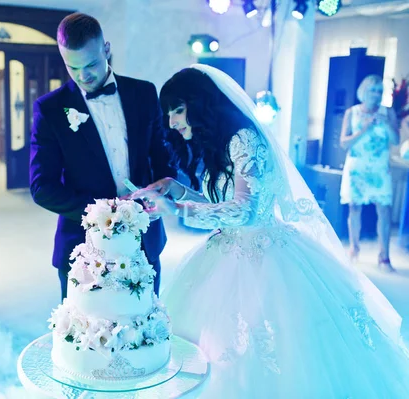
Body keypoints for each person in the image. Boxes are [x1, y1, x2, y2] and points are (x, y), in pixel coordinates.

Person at [132, 65, 409, 398]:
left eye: (178, 110)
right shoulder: (221, 141)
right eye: (169, 113)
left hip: (266, 257)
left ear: (201, 103)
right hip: (226, 250)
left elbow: (245, 211)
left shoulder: (244, 138)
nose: (173, 121)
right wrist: (176, 190)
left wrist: (178, 211)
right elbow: (219, 203)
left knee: (273, 353)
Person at [29, 13, 176, 300]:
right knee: (86, 339)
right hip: (84, 246)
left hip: (143, 240)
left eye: (92, 64)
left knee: (144, 329)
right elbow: (41, 187)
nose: (84, 75)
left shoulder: (144, 93)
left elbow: (162, 153)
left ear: (106, 49)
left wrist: (165, 183)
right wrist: (105, 212)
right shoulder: (50, 110)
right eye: (73, 67)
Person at [339, 74, 400, 271]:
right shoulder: (352, 112)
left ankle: (384, 256)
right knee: (354, 208)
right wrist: (364, 130)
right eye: (373, 90)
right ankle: (353, 249)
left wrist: (387, 124)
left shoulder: (388, 113)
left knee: (384, 209)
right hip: (357, 168)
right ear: (364, 91)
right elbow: (343, 143)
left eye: (380, 90)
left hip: (380, 168)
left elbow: (396, 140)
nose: (376, 94)